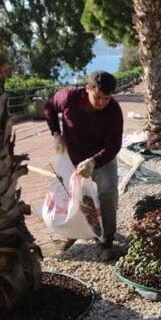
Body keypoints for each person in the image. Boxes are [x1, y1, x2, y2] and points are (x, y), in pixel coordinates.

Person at [44, 71, 123, 251]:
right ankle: (71, 232)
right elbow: (49, 106)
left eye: (107, 99)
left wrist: (93, 162)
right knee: (68, 193)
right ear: (88, 89)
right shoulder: (68, 97)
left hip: (101, 157)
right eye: (98, 97)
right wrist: (56, 134)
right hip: (72, 155)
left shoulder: (114, 111)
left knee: (108, 189)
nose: (102, 103)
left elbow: (114, 145)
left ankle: (106, 238)